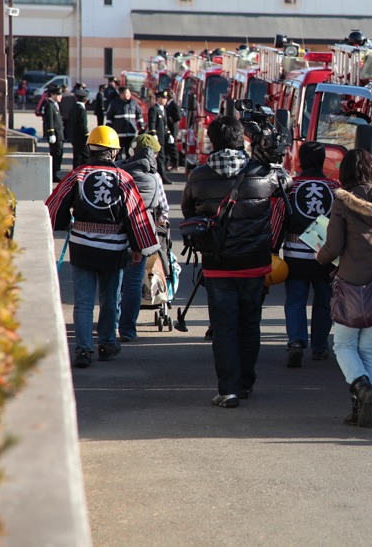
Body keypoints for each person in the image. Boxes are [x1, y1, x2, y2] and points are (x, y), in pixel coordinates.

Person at [181, 116, 289, 408]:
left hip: (217, 264)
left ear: (213, 141)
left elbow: (188, 210)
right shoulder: (264, 172)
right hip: (255, 262)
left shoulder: (198, 176)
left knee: (224, 326)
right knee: (250, 323)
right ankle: (245, 384)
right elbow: (287, 185)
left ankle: (227, 389)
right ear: (243, 139)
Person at [45, 125, 160, 369]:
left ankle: (83, 350)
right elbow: (135, 215)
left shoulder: (77, 175)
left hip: (82, 248)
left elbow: (55, 206)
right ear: (115, 153)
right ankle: (107, 344)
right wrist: (139, 247)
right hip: (113, 250)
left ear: (90, 149)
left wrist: (64, 224)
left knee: (84, 303)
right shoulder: (123, 178)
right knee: (109, 300)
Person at [316, 148, 372, 428]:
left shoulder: (343, 203)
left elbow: (333, 247)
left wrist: (319, 256)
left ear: (346, 173)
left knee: (343, 343)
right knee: (369, 348)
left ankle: (361, 386)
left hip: (351, 282)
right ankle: (363, 407)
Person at [282, 141, 339, 367]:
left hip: (295, 255)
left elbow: (279, 218)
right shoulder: (335, 188)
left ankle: (296, 341)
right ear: (323, 160)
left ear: (301, 161)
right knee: (324, 301)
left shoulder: (291, 187)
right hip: (326, 255)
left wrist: (273, 247)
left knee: (295, 299)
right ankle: (320, 347)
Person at [117, 134, 170, 342]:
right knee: (133, 284)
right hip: (141, 236)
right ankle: (128, 330)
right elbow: (163, 210)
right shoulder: (154, 177)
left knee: (114, 283)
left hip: (117, 236)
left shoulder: (119, 171)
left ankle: (111, 325)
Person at [106, 86, 144, 158]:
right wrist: (109, 128)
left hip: (131, 133)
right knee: (118, 154)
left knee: (130, 153)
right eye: (125, 93)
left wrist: (141, 126)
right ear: (120, 94)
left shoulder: (133, 103)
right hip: (119, 134)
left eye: (129, 93)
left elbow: (139, 115)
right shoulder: (114, 103)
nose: (128, 95)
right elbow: (109, 117)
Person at [146, 90, 172, 184]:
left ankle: (160, 175)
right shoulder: (154, 109)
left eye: (165, 98)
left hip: (162, 137)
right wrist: (153, 134)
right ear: (158, 98)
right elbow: (152, 123)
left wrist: (169, 134)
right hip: (157, 137)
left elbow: (165, 125)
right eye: (163, 98)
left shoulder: (163, 109)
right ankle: (162, 176)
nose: (164, 100)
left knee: (162, 157)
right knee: (160, 157)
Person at [42, 85, 65, 183]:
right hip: (55, 134)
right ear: (53, 95)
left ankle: (55, 172)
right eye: (58, 95)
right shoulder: (49, 105)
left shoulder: (55, 105)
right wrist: (51, 133)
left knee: (58, 154)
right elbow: (49, 120)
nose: (60, 97)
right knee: (55, 154)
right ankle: (53, 173)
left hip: (59, 134)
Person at [69, 85, 91, 170]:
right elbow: (83, 125)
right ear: (86, 100)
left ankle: (75, 172)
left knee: (76, 157)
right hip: (82, 138)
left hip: (74, 137)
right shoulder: (82, 110)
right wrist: (87, 136)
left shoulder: (73, 109)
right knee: (86, 156)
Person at [160, 90, 182, 171]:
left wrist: (171, 119)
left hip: (172, 128)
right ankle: (167, 163)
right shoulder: (167, 105)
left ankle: (175, 164)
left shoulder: (174, 104)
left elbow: (178, 116)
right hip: (167, 128)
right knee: (167, 147)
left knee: (172, 147)